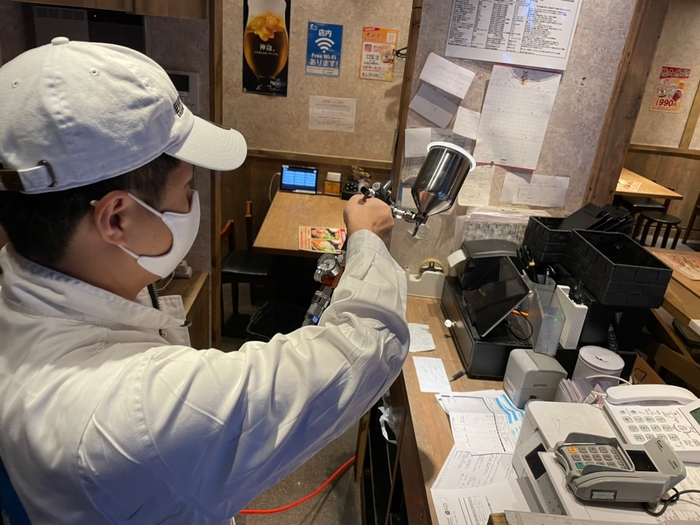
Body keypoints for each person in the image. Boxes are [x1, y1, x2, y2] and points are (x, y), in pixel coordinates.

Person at [0, 38, 409, 524]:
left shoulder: (20, 301)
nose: (191, 202)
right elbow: (364, 349)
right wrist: (368, 240)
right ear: (117, 219)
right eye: (187, 188)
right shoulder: (137, 411)